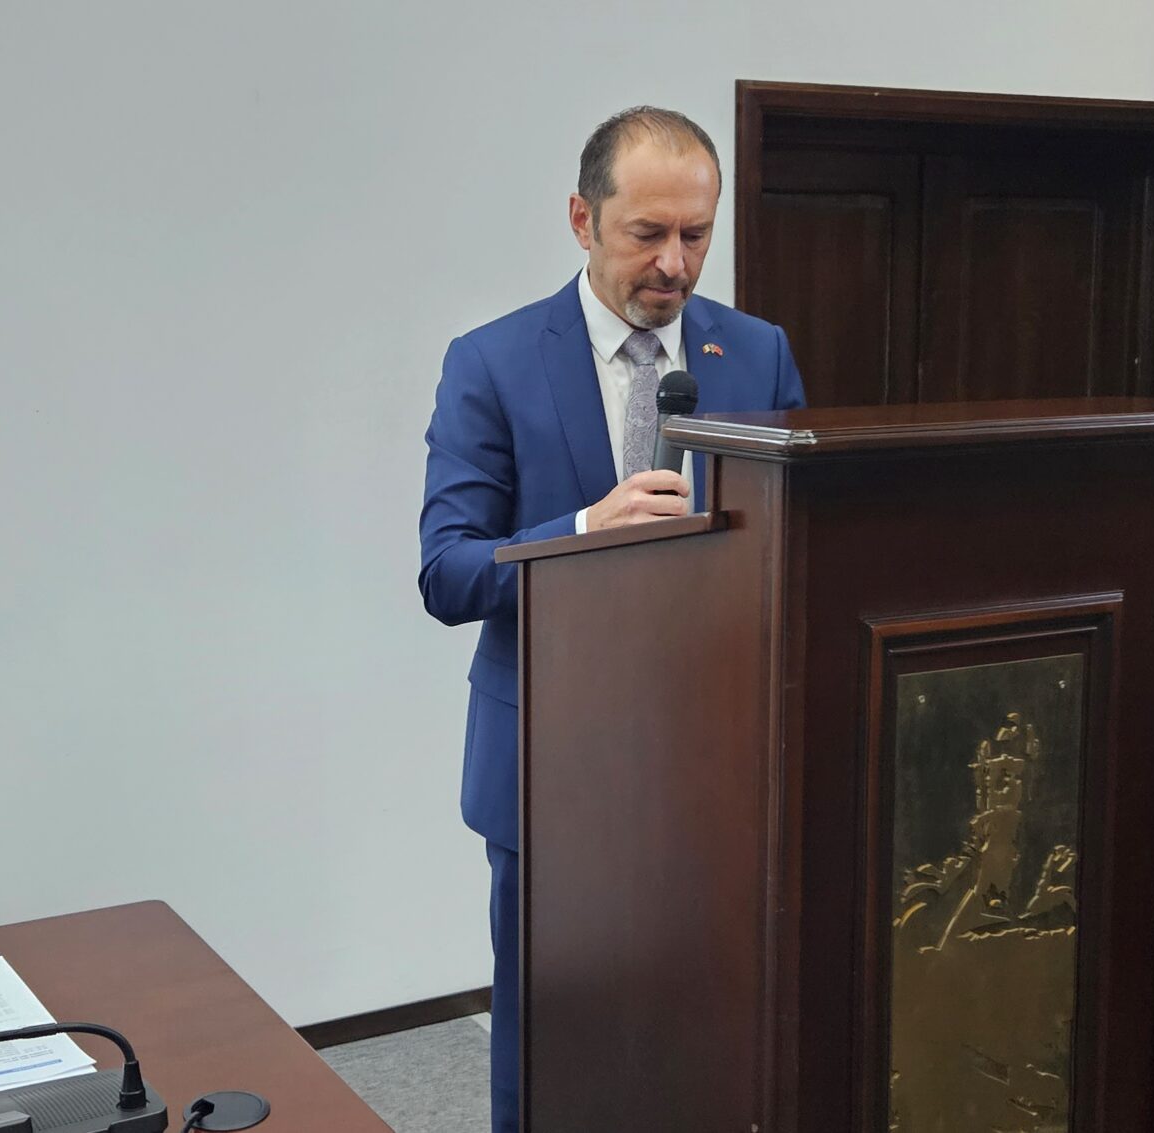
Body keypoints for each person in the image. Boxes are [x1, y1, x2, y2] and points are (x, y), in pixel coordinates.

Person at [418, 106, 806, 1132]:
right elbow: (446, 572)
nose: (674, 263)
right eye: (647, 233)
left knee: (704, 1031)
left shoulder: (755, 353)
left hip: (717, 766)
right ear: (582, 219)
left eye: (696, 234)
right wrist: (588, 527)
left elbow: (798, 545)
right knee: (551, 1035)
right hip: (550, 767)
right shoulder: (492, 361)